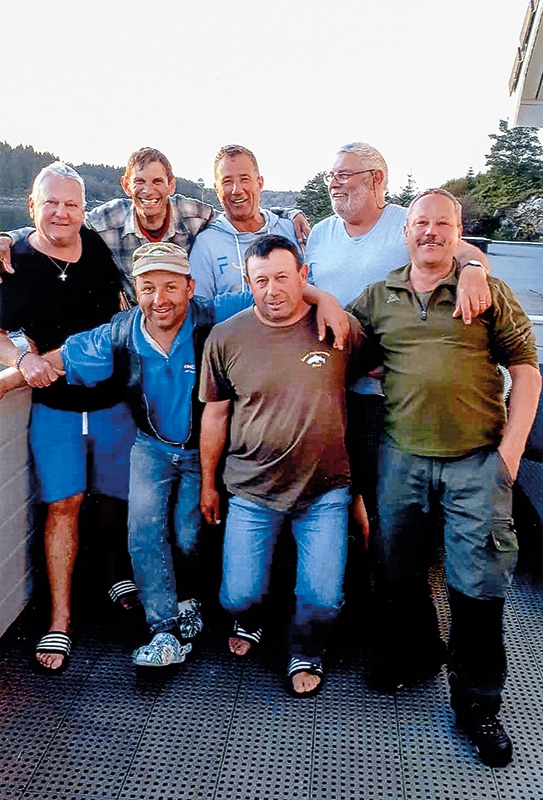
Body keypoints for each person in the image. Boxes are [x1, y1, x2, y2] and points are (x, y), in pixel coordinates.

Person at [0, 241, 350, 667]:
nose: (159, 299)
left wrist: (325, 298)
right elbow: (61, 358)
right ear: (136, 290)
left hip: (200, 451)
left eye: (170, 287)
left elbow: (277, 288)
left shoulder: (212, 315)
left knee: (189, 537)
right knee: (143, 534)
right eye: (147, 288)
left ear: (190, 287)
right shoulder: (123, 331)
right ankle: (162, 629)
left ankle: (190, 602)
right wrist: (11, 378)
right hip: (151, 446)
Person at [348, 189, 541, 767]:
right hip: (401, 456)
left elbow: (527, 373)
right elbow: (342, 352)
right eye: (421, 223)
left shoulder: (488, 291)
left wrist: (509, 455)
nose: (430, 232)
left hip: (476, 459)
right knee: (396, 566)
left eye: (443, 224)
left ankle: (479, 704)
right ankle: (420, 653)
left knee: (479, 583)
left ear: (458, 232)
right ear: (404, 231)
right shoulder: (380, 297)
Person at [199, 234, 365, 697]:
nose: (273, 290)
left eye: (282, 278)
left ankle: (305, 649)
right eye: (261, 280)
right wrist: (208, 484)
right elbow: (216, 413)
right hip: (252, 490)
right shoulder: (225, 336)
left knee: (323, 600)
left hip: (326, 490)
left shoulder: (336, 326)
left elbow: (376, 367)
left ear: (303, 277)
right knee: (237, 597)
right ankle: (251, 619)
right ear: (248, 284)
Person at [0, 163, 136, 673]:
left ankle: (115, 574)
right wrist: (20, 360)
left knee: (116, 498)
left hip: (111, 403)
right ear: (33, 206)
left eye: (72, 205)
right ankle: (60, 619)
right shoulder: (14, 261)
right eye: (50, 203)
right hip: (54, 408)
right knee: (64, 504)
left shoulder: (96, 247)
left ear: (84, 210)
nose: (61, 213)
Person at [0, 147, 309, 304]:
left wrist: (287, 212)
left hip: (182, 319)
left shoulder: (192, 213)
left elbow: (238, 210)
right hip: (136, 321)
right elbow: (60, 225)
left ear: (171, 184)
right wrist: (11, 237)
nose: (149, 191)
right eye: (140, 182)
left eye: (158, 181)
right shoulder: (109, 220)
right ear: (125, 185)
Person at [189, 145, 305, 298]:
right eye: (227, 182)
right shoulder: (206, 244)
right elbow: (201, 308)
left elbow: (310, 287)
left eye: (244, 179)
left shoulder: (291, 230)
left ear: (260, 183)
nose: (237, 189)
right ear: (217, 189)